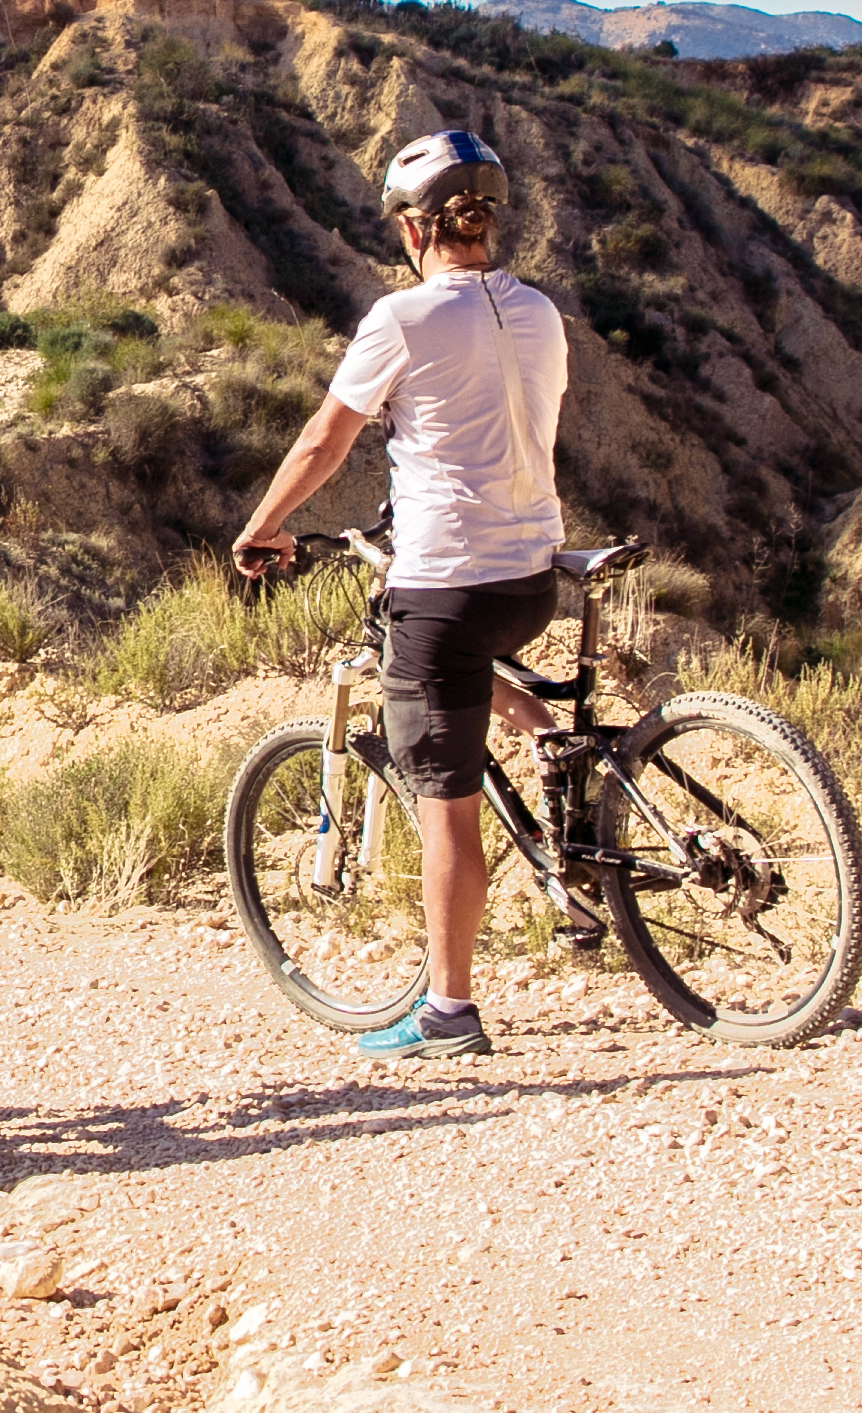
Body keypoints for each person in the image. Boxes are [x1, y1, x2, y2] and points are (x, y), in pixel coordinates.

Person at [229, 129, 572, 1061]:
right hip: (534, 576)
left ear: (416, 229)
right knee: (463, 670)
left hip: (448, 582)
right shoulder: (540, 310)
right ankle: (542, 730)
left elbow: (324, 442)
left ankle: (450, 1013)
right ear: (486, 221)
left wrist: (262, 524)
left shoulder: (404, 319)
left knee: (445, 801)